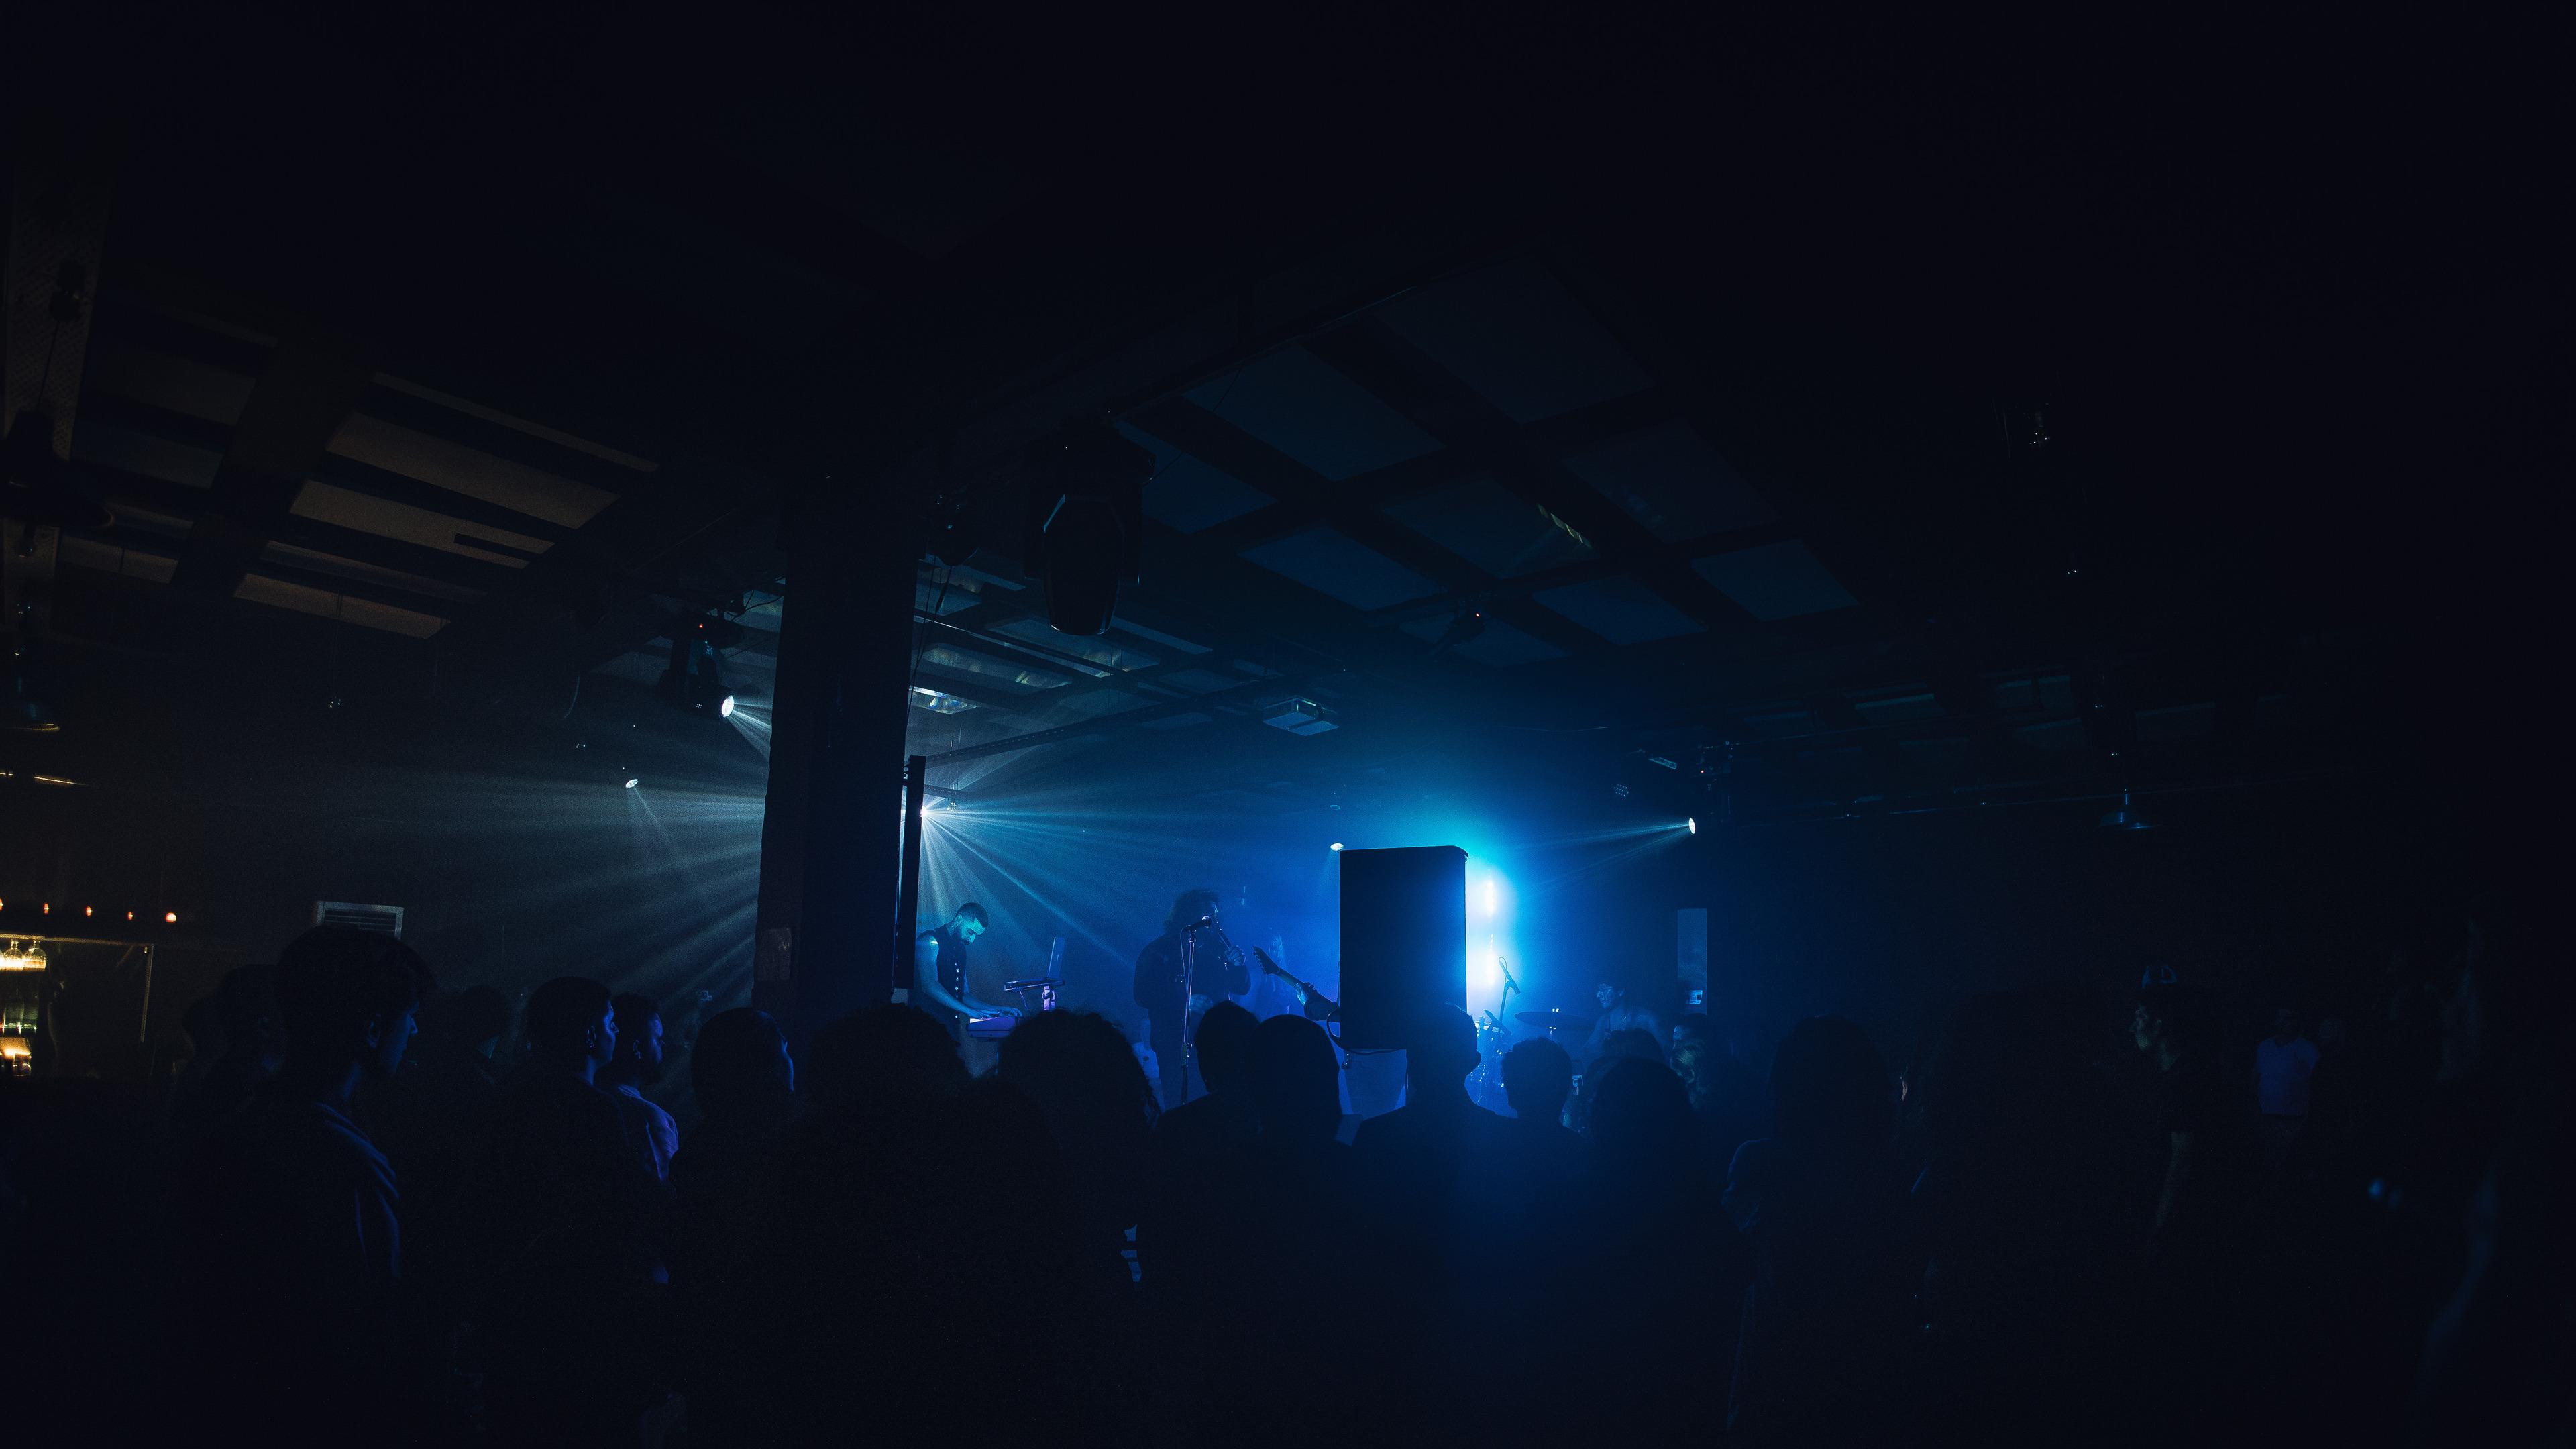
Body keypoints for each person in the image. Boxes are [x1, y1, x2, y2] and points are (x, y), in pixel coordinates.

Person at [182, 926, 430, 1434]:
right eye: (411, 1018)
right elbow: (357, 1324)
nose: (417, 1033)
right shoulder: (335, 1156)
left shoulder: (257, 1121)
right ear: (373, 1028)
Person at [1723, 1015, 1909, 1446]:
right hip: (1878, 1376)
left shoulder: (1763, 1166)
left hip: (1782, 1371)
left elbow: (1726, 1267)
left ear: (1786, 1088)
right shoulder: (1896, 1171)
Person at [1131, 888, 1250, 1110]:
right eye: (1207, 915)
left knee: (1217, 1102)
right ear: (1188, 915)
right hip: (1175, 1040)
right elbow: (1143, 993)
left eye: (1215, 915)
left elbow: (1241, 987)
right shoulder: (1159, 950)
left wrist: (1238, 966)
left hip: (1216, 1038)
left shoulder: (1218, 948)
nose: (1213, 920)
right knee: (1181, 1100)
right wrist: (1185, 1001)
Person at [601, 991, 680, 1182]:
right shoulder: (645, 1117)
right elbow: (663, 1189)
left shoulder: (594, 1099)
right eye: (657, 1037)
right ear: (637, 1047)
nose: (663, 1043)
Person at [912, 903, 1018, 1040]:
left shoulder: (961, 950)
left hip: (948, 1028)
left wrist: (996, 1010)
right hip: (924, 1027)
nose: (972, 940)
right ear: (959, 920)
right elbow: (930, 986)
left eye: (975, 935)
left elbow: (964, 994)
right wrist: (970, 1011)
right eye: (970, 932)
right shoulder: (930, 941)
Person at [2254, 1006, 2320, 1166]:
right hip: (2266, 1114)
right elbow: (2256, 1074)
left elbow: (2316, 1081)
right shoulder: (2265, 1046)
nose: (2283, 1022)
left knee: (2287, 1159)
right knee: (2267, 1158)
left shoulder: (2307, 1048)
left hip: (2293, 1118)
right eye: (2280, 1017)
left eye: (2288, 1018)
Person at [1582, 977, 1662, 1065]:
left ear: (1621, 991)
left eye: (1604, 989)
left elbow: (1665, 1051)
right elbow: (1588, 1051)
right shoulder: (1603, 1021)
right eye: (1599, 990)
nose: (1599, 995)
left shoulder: (1647, 1018)